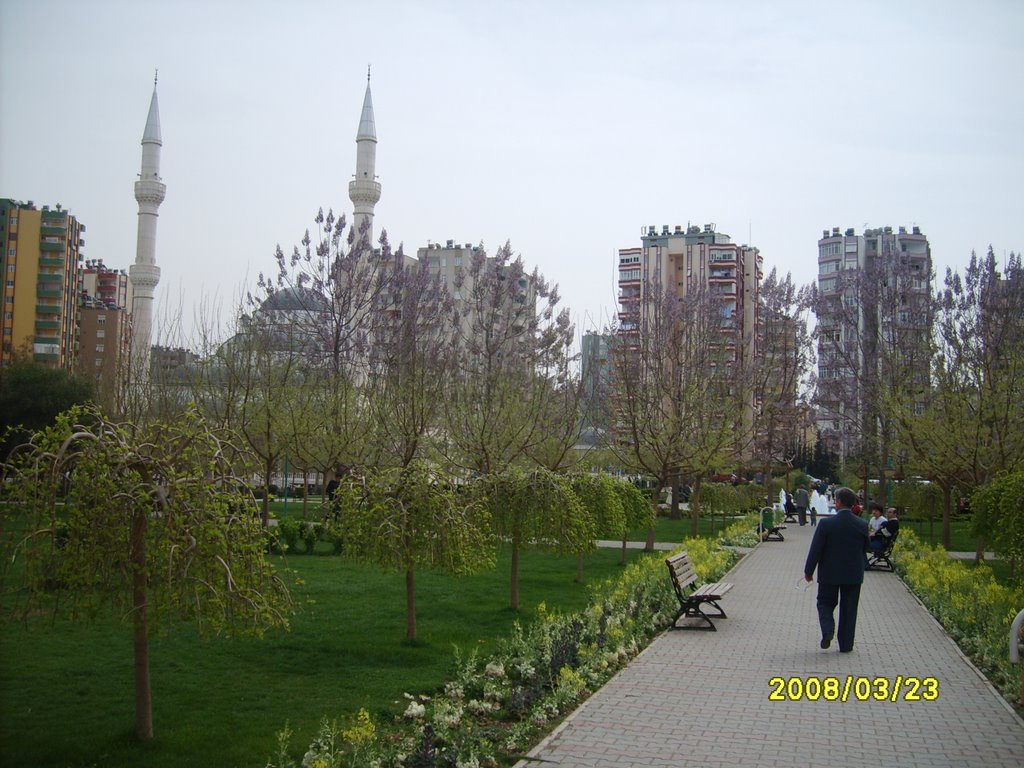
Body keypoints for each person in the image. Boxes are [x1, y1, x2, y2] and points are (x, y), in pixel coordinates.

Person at [803, 486, 870, 653]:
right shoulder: (862, 524)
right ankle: (846, 645)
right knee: (849, 608)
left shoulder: (826, 524)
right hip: (853, 574)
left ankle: (828, 629)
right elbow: (866, 548)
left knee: (824, 602)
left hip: (829, 573)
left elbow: (816, 549)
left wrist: (809, 571)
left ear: (838, 502)